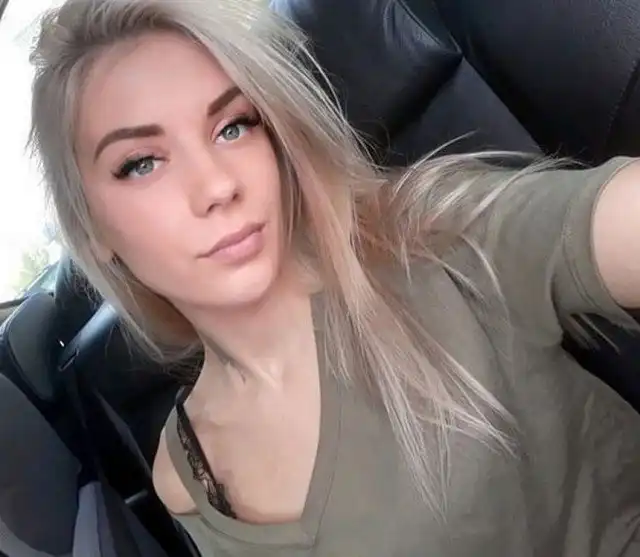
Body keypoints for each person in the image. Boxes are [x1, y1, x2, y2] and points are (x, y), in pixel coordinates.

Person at [29, 0, 640, 555]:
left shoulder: (428, 238)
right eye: (141, 163)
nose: (217, 186)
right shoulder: (183, 474)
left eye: (233, 126)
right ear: (94, 229)